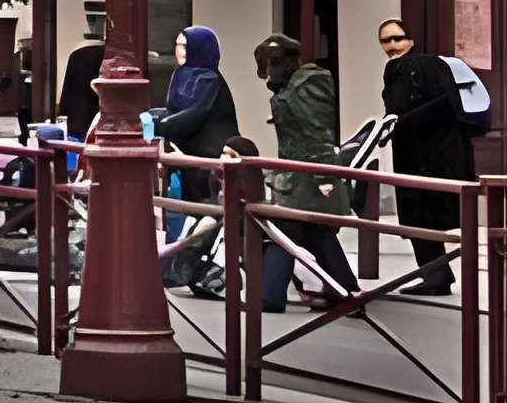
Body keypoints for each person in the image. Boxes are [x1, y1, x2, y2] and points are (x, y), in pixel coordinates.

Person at [255, 34, 358, 312]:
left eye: (274, 62)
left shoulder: (308, 84)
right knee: (315, 233)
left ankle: (270, 295)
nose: (270, 69)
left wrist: (323, 175)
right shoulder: (290, 85)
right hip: (298, 173)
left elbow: (317, 130)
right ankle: (344, 290)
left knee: (286, 231)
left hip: (307, 174)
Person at [380, 17, 474, 294]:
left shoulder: (426, 64)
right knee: (415, 216)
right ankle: (436, 274)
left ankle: (437, 275)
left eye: (398, 38)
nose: (393, 45)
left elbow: (446, 102)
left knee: (427, 215)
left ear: (410, 39)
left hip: (435, 153)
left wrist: (404, 120)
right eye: (386, 40)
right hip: (411, 151)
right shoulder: (393, 69)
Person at [158, 25, 238, 200]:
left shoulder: (208, 78)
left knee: (207, 208)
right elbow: (174, 110)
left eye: (186, 46)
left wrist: (161, 125)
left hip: (209, 156)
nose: (180, 51)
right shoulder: (180, 75)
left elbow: (193, 114)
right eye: (178, 45)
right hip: (189, 155)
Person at [60, 8, 106, 147]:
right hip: (98, 126)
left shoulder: (77, 55)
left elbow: (65, 99)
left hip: (76, 124)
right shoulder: (108, 56)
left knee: (73, 162)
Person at [0, 41, 35, 138]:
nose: (21, 45)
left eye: (25, 42)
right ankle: (24, 138)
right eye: (20, 42)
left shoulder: (34, 56)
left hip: (31, 97)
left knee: (30, 120)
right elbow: (7, 77)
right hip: (19, 96)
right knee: (22, 119)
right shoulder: (14, 58)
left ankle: (28, 138)